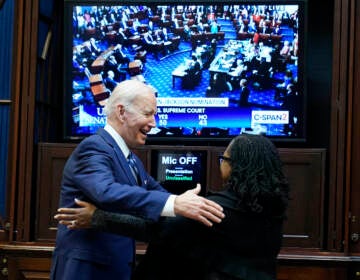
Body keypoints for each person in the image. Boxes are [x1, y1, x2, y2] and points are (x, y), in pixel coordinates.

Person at [50, 79, 224, 280]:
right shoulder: (93, 148)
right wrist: (175, 203)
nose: (154, 123)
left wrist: (187, 204)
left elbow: (157, 195)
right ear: (122, 112)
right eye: (148, 114)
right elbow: (106, 192)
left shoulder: (131, 159)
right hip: (86, 271)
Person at [55, 134, 290, 280]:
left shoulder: (214, 210)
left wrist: (98, 217)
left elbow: (155, 229)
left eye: (224, 160)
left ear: (235, 166)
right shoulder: (272, 208)